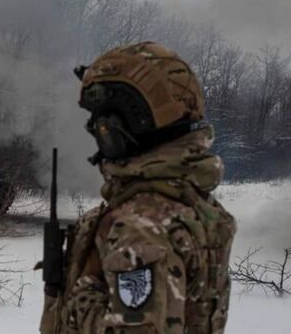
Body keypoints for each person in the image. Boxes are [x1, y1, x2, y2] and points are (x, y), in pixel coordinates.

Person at [40, 41, 236, 334]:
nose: (94, 127)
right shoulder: (190, 207)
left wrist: (82, 302)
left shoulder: (141, 227)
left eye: (101, 118)